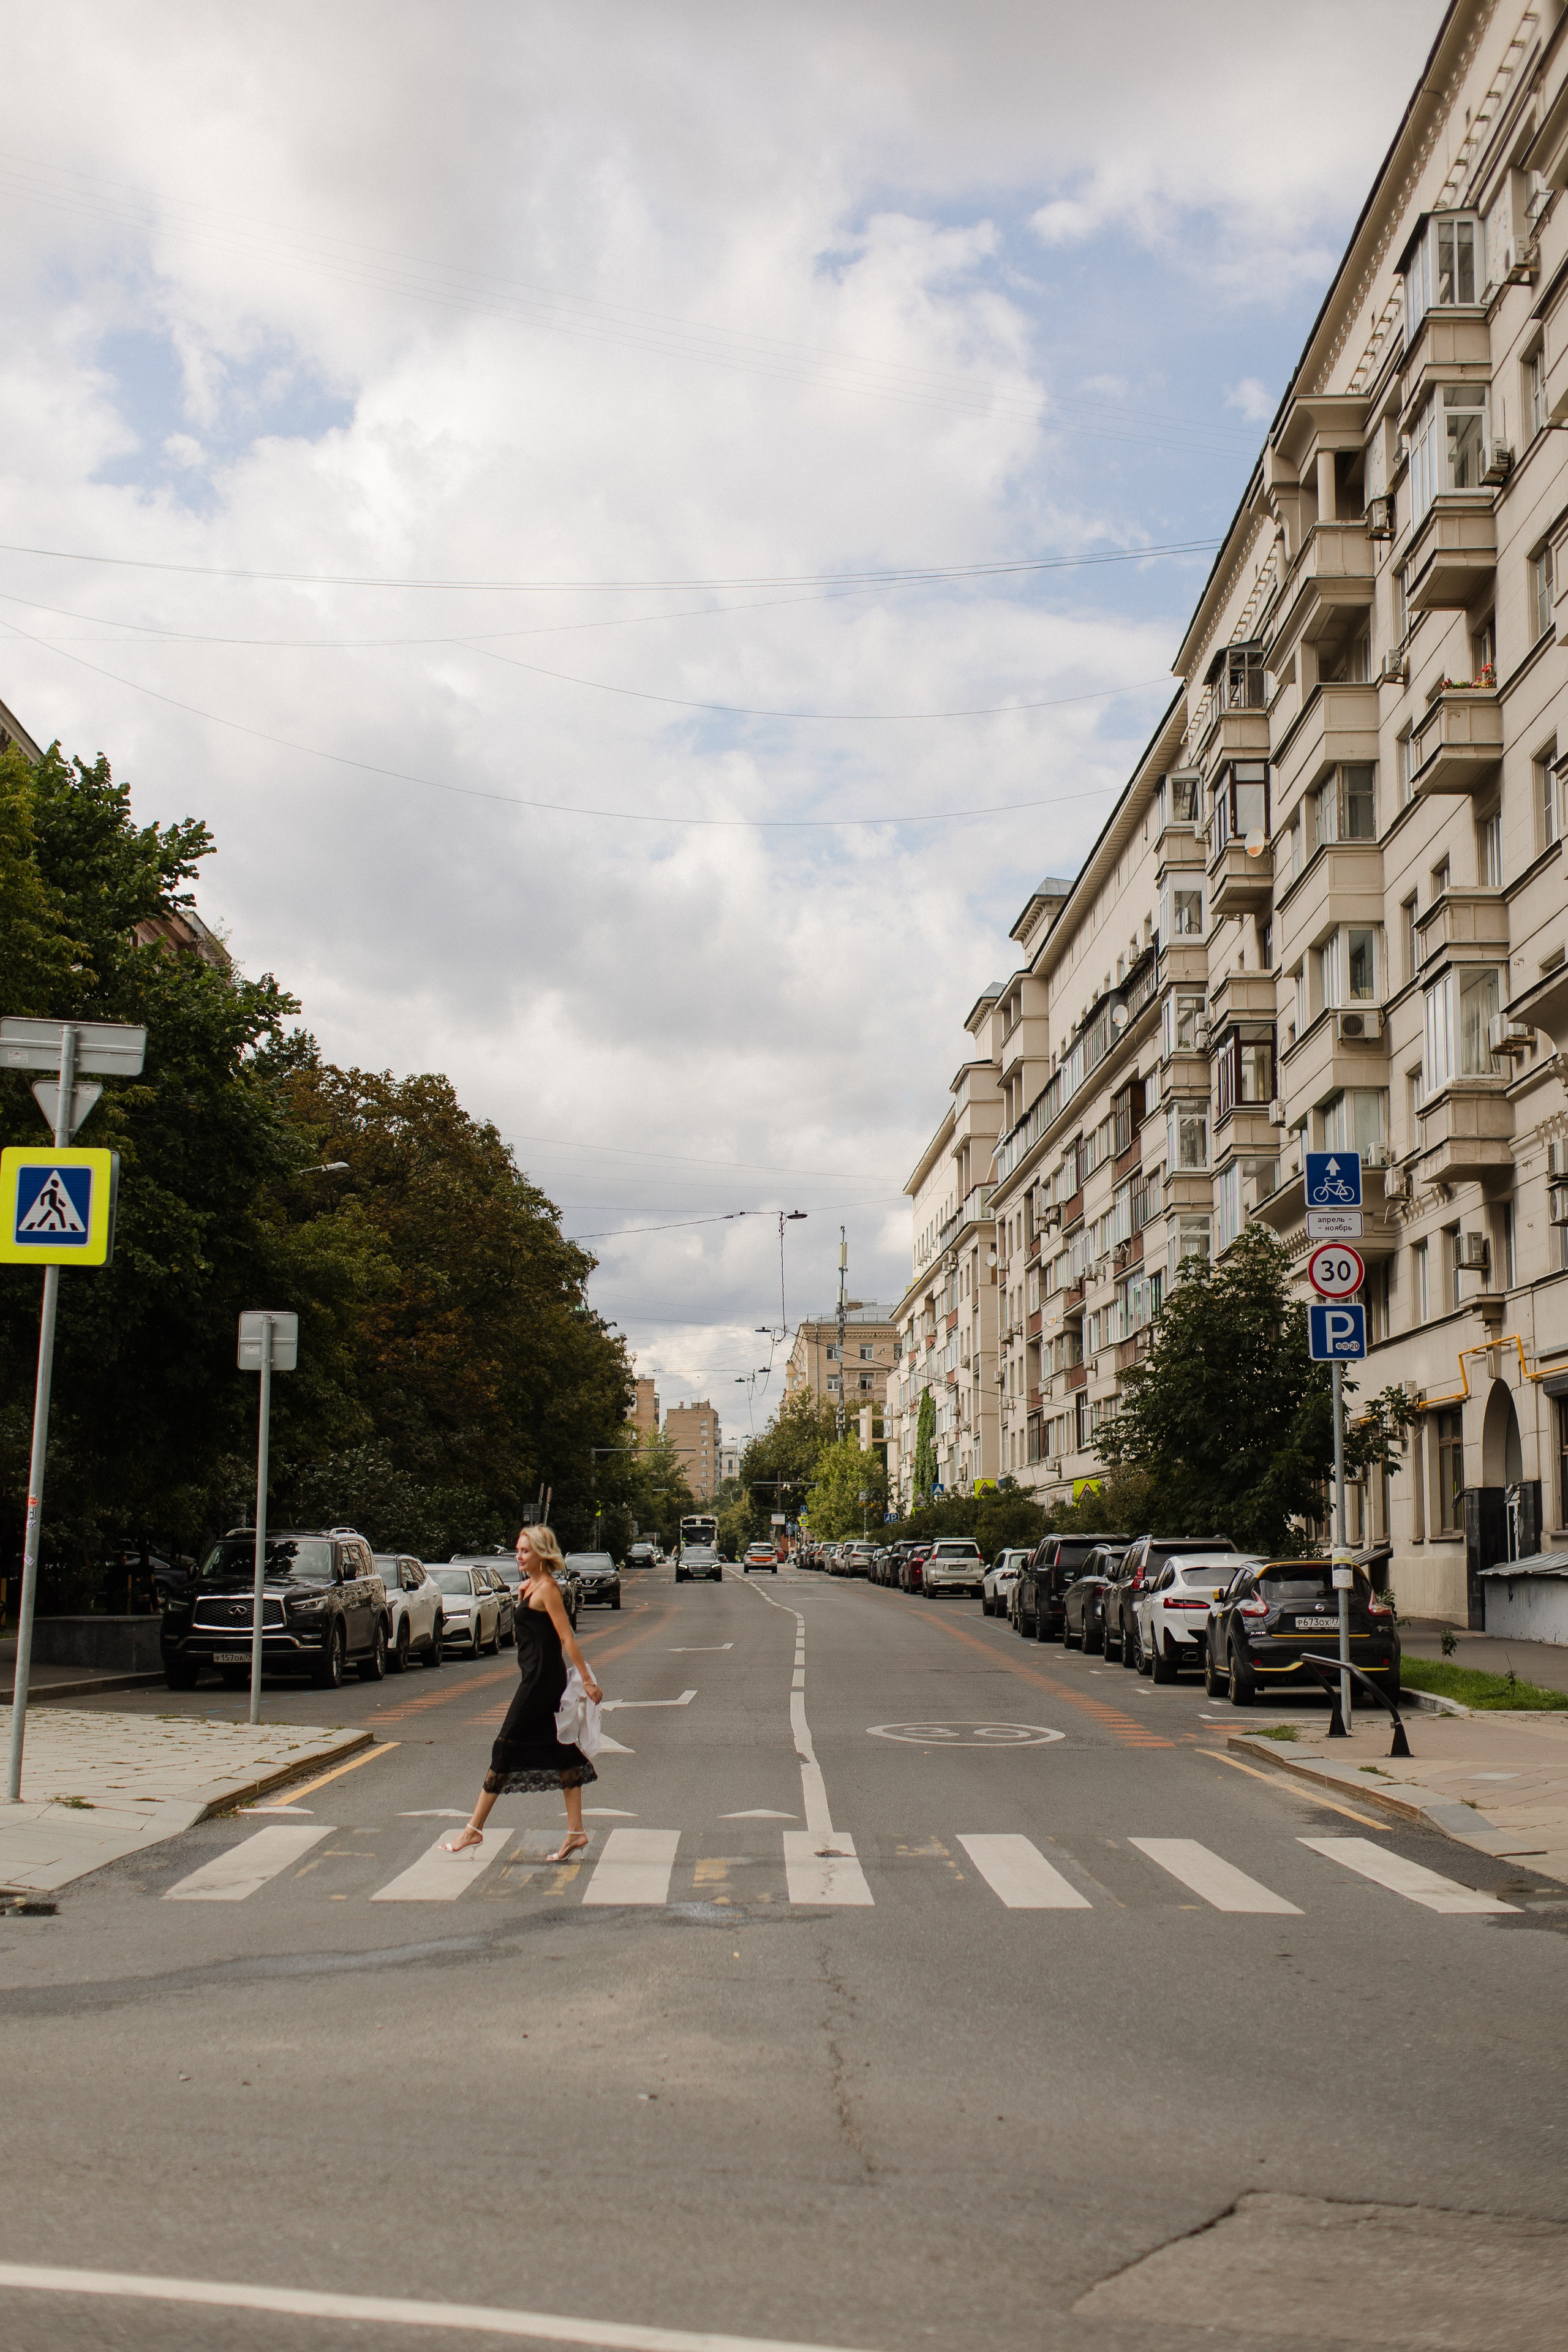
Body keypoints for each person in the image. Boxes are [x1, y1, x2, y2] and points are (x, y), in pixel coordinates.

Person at [443, 1525, 604, 1862]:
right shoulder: (528, 1587)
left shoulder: (548, 1590)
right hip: (533, 1675)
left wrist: (587, 1680)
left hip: (543, 1681)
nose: (519, 1556)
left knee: (505, 1745)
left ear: (543, 1554)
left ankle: (474, 1829)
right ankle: (576, 1833)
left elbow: (567, 1638)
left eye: (525, 1551)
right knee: (561, 1750)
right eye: (517, 1550)